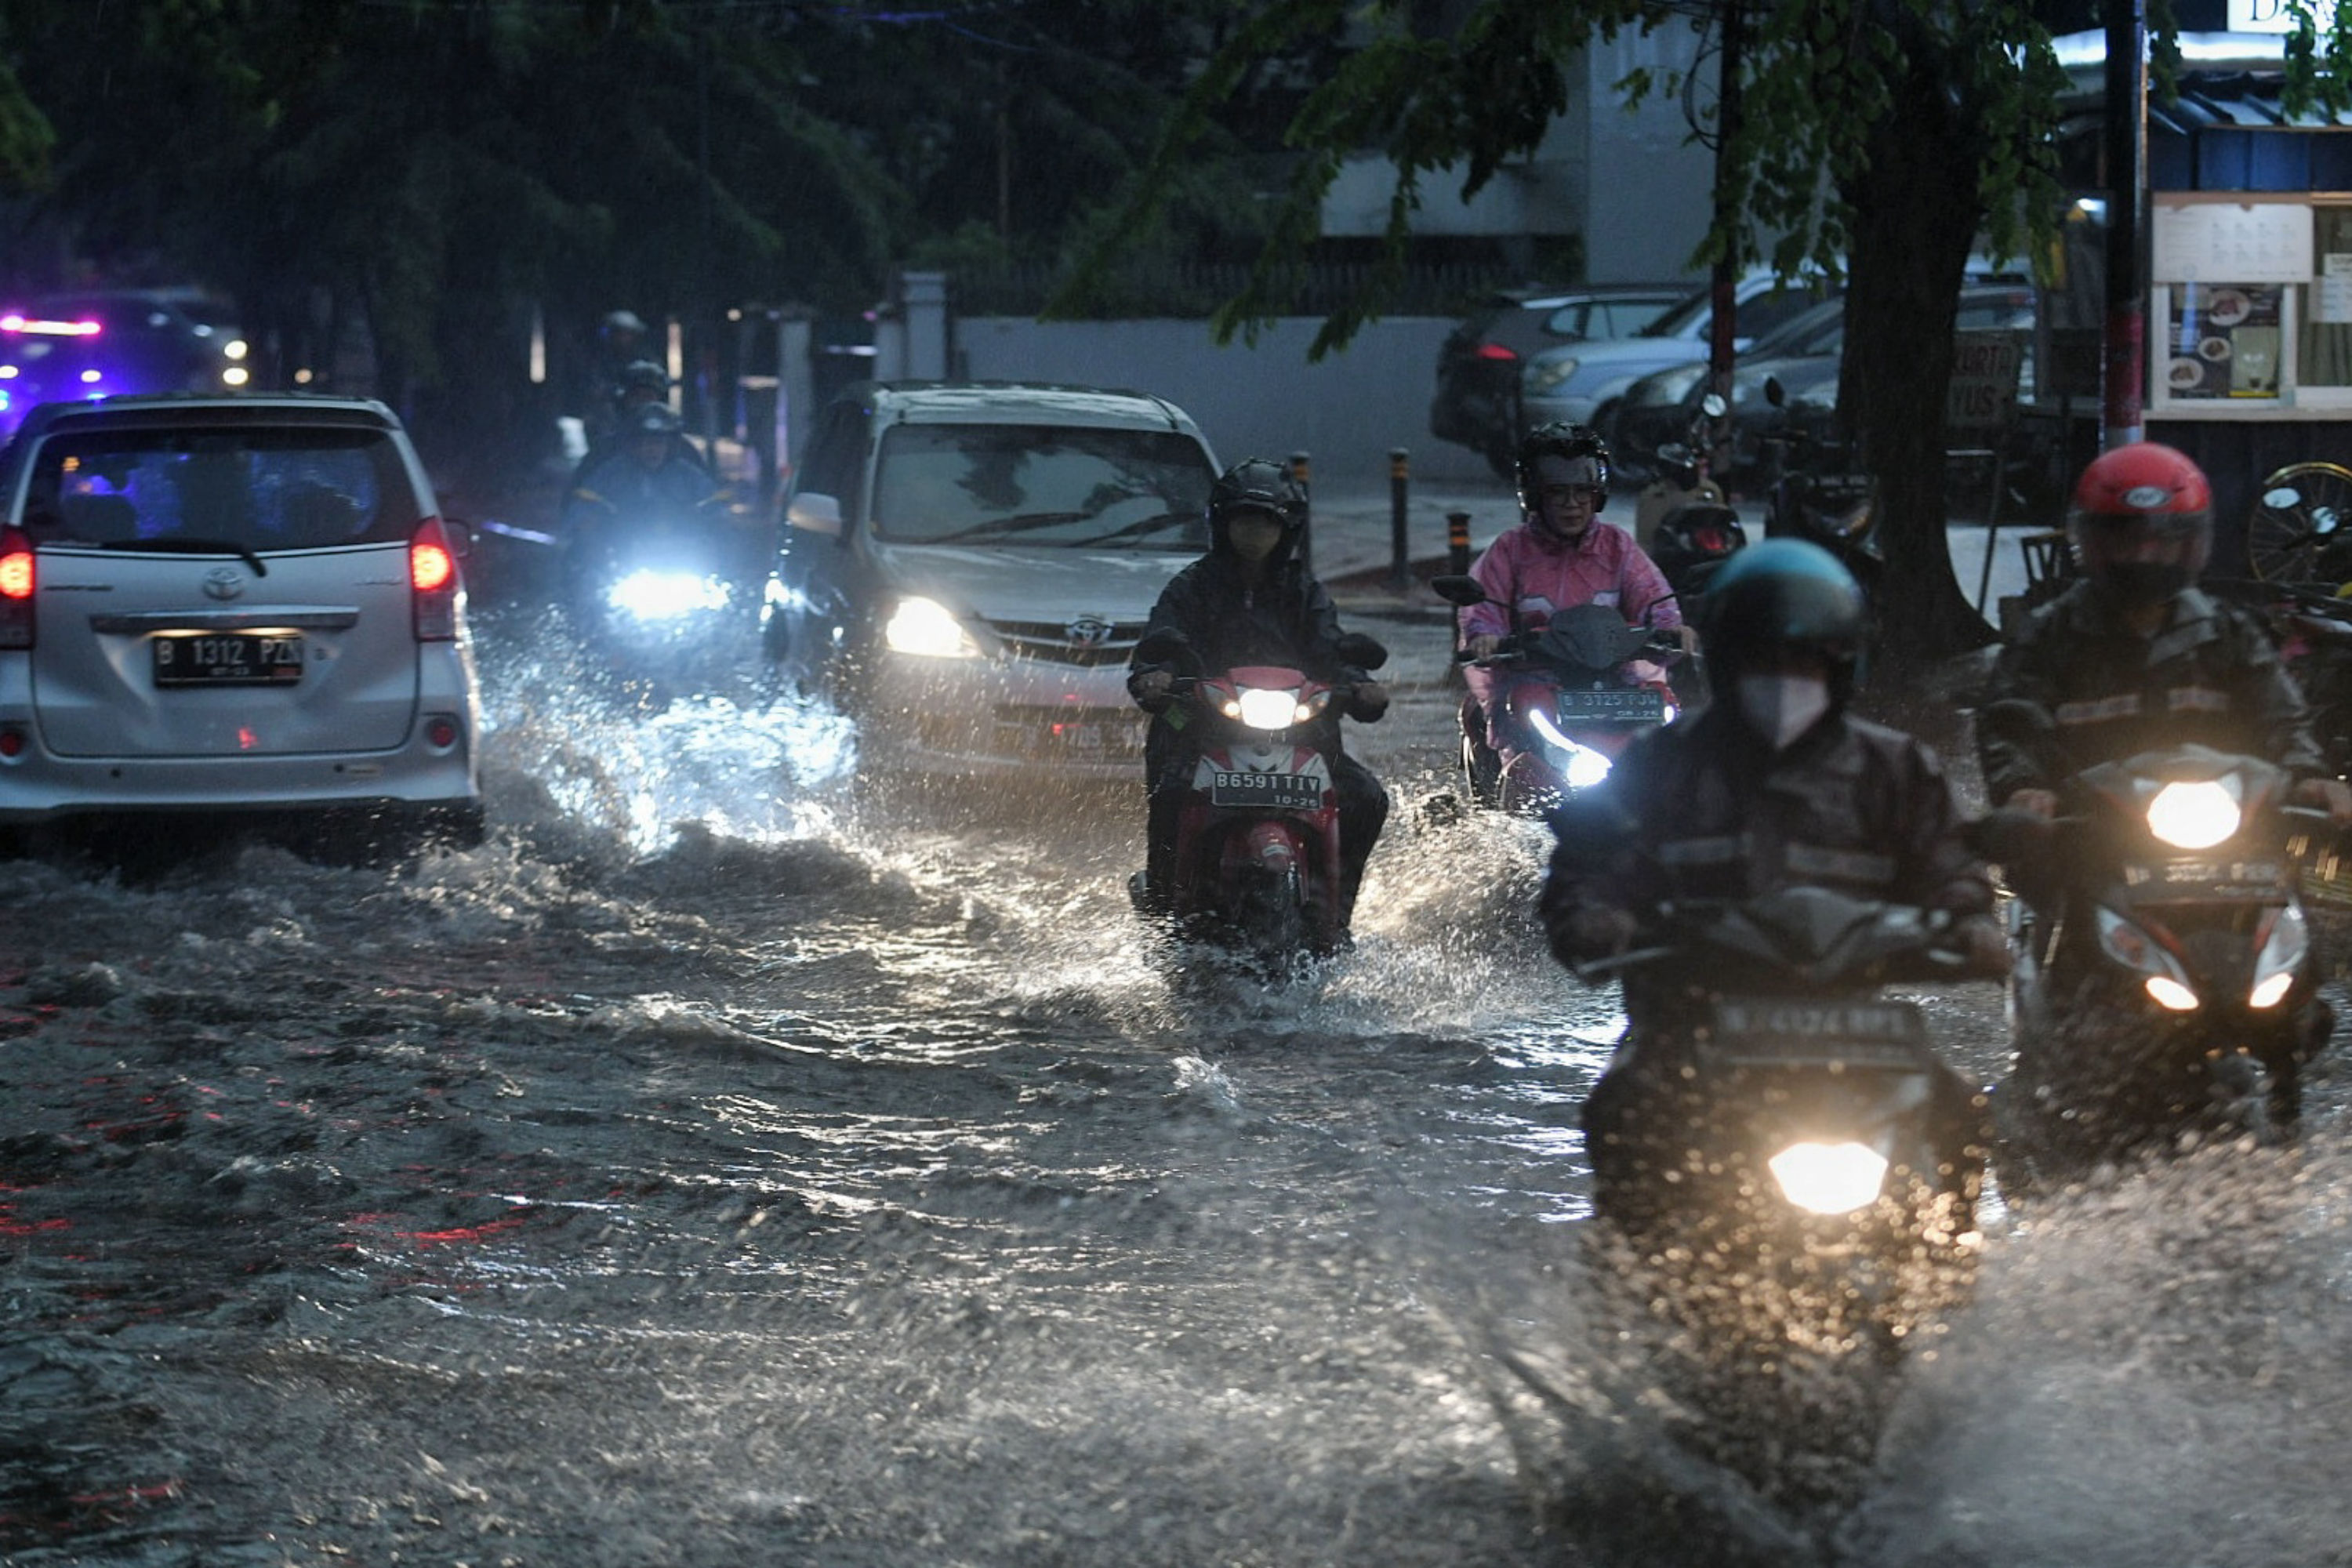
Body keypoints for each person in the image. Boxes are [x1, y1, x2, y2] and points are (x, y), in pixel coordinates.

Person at [1542, 540, 2009, 1207]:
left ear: (1843, 666)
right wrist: (1596, 919)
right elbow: (1589, 869)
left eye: (1804, 661)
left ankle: (1942, 1270)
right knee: (1621, 1111)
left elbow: (1948, 866)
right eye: (1764, 660)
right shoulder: (1660, 766)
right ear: (1728, 664)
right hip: (1692, 1027)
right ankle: (1637, 1288)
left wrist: (1969, 923)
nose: (1784, 679)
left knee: (1959, 1112)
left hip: (1852, 1030)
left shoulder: (1894, 770)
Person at [1976, 441, 2352, 826]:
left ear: (2191, 545)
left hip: (2226, 839)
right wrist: (2025, 789)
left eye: (2162, 545)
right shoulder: (2049, 635)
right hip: (2087, 840)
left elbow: (2282, 719)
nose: (2144, 557)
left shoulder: (2229, 633)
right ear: (2094, 543)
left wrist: (2311, 778)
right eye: (2127, 542)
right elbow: (2012, 724)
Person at [1127, 457, 1391, 931]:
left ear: (1286, 529)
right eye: (1243, 519)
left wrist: (1361, 685)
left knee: (1366, 797)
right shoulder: (1192, 586)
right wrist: (1157, 674)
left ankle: (1336, 914)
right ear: (1221, 523)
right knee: (1172, 793)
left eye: (1266, 521)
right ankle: (1165, 908)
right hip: (1203, 730)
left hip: (1299, 733)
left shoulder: (1303, 591)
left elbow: (1331, 648)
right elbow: (1158, 643)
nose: (1253, 532)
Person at [1457, 422, 1692, 768]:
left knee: (1668, 719)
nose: (1572, 504)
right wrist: (1484, 640)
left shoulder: (1618, 547)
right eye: (1558, 493)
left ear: (1597, 495)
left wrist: (1674, 630)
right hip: (1535, 683)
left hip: (1616, 684)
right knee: (1520, 723)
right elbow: (1483, 610)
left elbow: (1654, 598)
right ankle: (1511, 799)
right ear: (1536, 496)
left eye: (1582, 492)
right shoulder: (1509, 550)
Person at [560, 402, 724, 578]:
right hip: (621, 553)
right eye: (646, 443)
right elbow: (584, 503)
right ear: (633, 445)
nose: (652, 450)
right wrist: (587, 523)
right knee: (585, 579)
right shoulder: (612, 472)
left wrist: (715, 517)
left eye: (659, 443)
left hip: (680, 553)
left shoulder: (688, 474)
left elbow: (713, 501)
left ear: (670, 446)